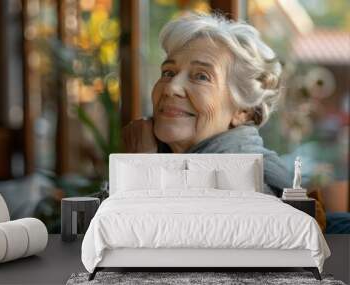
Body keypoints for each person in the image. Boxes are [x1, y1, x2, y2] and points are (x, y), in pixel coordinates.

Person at [122, 13, 292, 196]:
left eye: (202, 76)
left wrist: (142, 167)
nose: (172, 87)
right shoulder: (177, 164)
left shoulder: (249, 184)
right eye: (168, 73)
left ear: (244, 111)